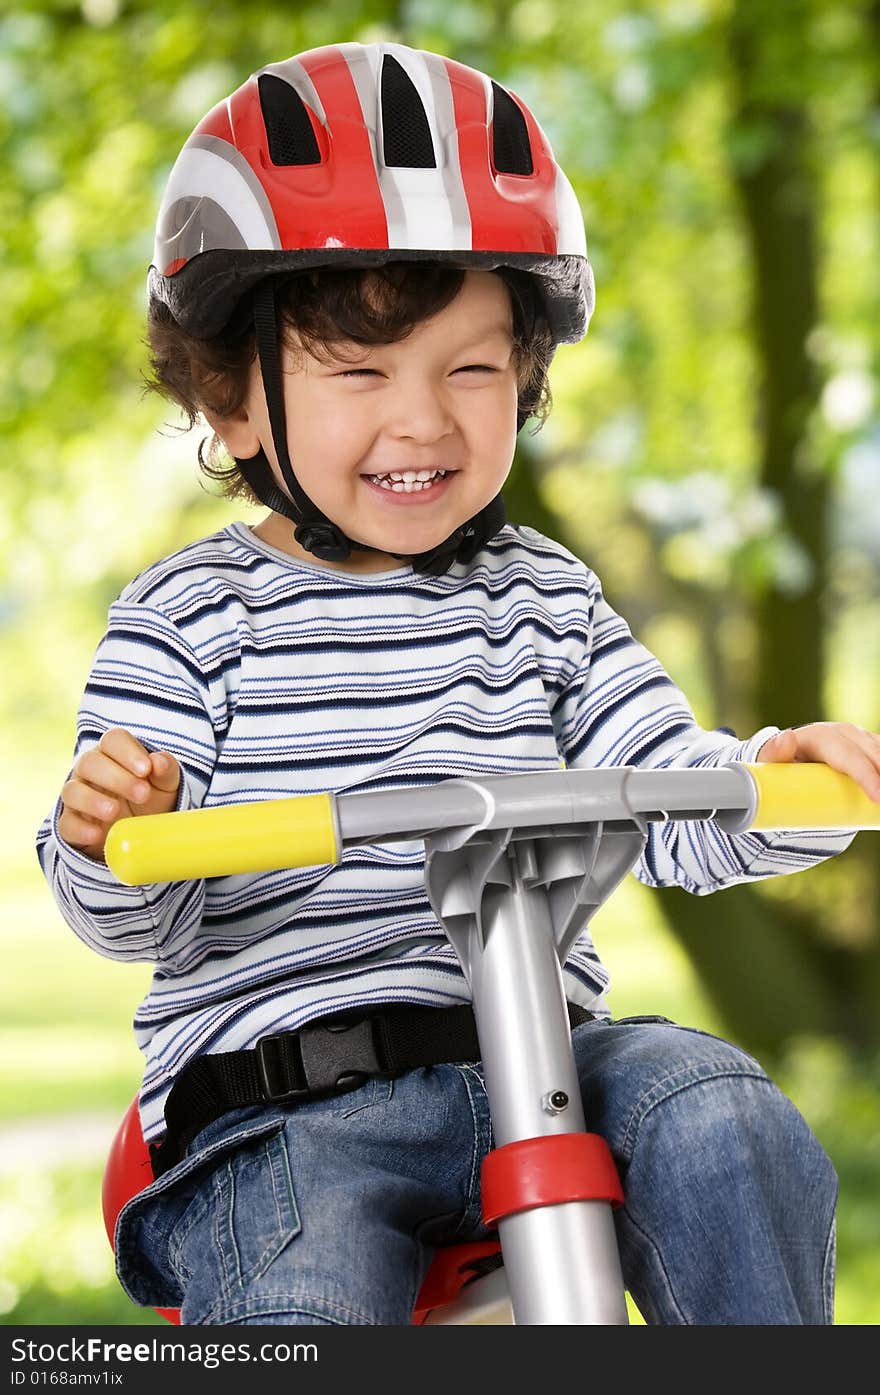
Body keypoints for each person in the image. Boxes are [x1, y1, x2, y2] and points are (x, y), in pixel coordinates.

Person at [37, 41, 880, 1327]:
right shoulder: (186, 618)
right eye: (359, 371)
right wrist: (112, 826)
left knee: (718, 1115)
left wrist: (772, 783)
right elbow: (127, 912)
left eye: (470, 368)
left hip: (548, 1063)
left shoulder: (542, 594)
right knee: (305, 1283)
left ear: (526, 379)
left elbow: (666, 794)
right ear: (236, 397)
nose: (423, 420)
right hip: (286, 1106)